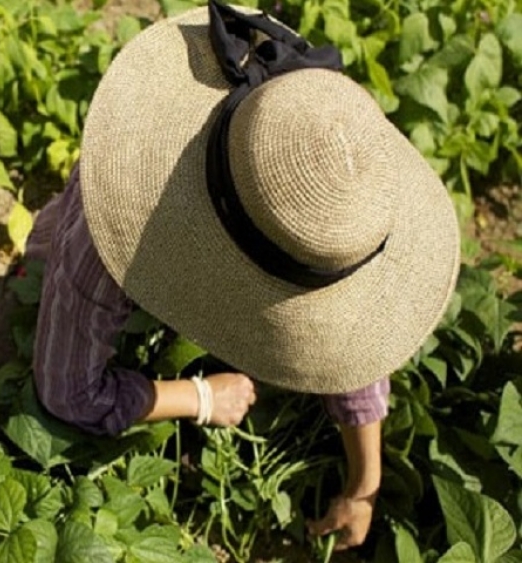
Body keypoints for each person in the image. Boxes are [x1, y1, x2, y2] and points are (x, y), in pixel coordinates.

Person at [23, 1, 459, 552]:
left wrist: (365, 484)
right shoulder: (113, 230)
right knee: (42, 288)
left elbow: (351, 317)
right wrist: (198, 396)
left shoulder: (337, 181)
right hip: (85, 277)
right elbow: (67, 392)